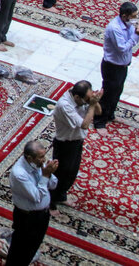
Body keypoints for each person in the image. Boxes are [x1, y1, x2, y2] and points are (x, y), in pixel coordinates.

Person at [50, 80, 101, 213]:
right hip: (64, 144)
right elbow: (84, 125)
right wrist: (91, 105)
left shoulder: (82, 99)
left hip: (77, 141)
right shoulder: (64, 105)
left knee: (71, 173)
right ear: (77, 97)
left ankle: (61, 196)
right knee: (59, 175)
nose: (87, 102)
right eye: (86, 99)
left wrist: (94, 101)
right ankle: (50, 203)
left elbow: (98, 112)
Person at [5, 141, 58, 266]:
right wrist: (45, 175)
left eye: (44, 156)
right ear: (29, 158)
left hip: (42, 214)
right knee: (20, 249)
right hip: (28, 218)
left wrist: (49, 173)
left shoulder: (39, 164)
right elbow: (37, 197)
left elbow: (53, 185)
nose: (44, 159)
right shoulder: (19, 174)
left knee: (33, 245)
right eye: (41, 157)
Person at [96, 2, 139, 130]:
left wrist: (136, 31)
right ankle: (99, 122)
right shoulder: (114, 28)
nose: (136, 18)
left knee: (117, 92)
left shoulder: (129, 23)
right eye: (134, 16)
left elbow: (131, 38)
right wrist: (136, 35)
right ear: (124, 16)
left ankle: (110, 115)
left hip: (122, 65)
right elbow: (122, 48)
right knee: (107, 95)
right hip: (112, 67)